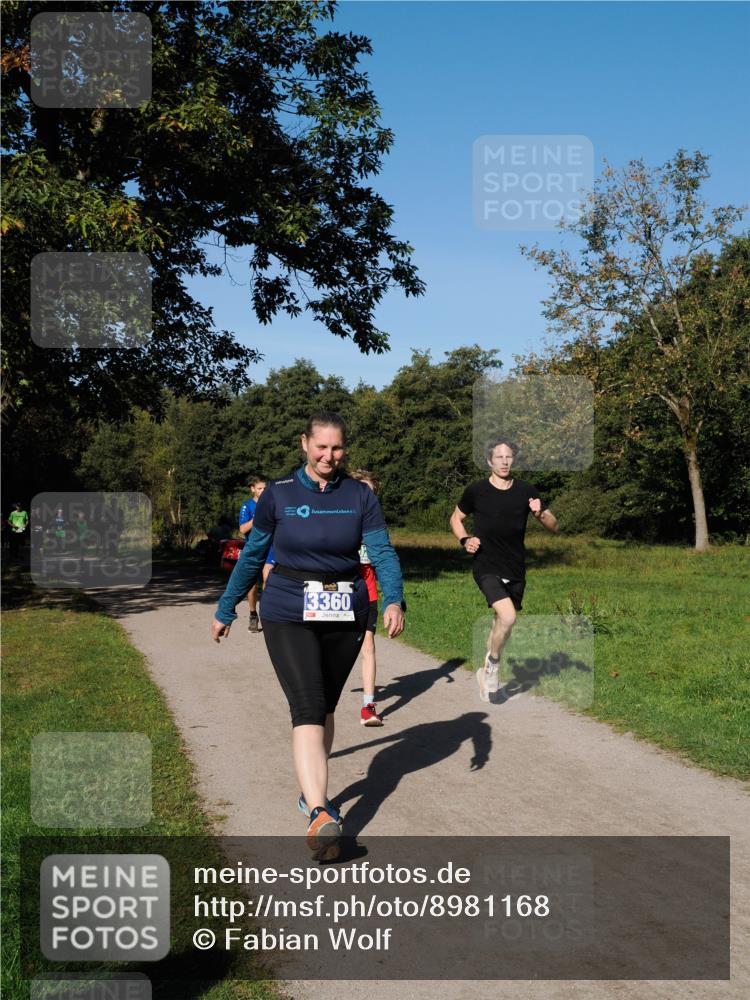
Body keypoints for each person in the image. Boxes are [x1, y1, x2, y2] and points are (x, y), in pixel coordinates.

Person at [211, 412, 405, 861]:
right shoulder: (278, 495)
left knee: (327, 705)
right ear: (304, 444)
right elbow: (252, 553)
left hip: (345, 609)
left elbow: (381, 551)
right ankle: (319, 812)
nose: (328, 457)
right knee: (307, 704)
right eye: (321, 447)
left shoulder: (360, 496)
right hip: (287, 608)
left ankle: (312, 795)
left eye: (337, 449)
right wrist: (228, 607)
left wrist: (392, 598)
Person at [450, 438, 559, 702]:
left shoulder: (525, 491)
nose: (504, 461)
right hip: (486, 565)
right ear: (489, 461)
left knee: (502, 623)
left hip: (516, 566)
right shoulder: (477, 491)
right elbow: (456, 518)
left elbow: (554, 526)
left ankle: (486, 667)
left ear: (514, 460)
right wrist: (465, 539)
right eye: (499, 457)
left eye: (508, 457)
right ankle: (494, 667)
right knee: (508, 617)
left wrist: (540, 511)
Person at [350, 470, 384, 727]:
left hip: (368, 594)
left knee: (369, 646)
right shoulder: (337, 521)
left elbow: (385, 561)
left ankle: (368, 705)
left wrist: (396, 599)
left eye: (369, 493)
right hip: (337, 594)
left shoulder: (376, 527)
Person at [238, 476, 268, 632]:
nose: (263, 491)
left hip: (270, 549)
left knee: (269, 582)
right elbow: (242, 530)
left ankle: (270, 616)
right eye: (259, 488)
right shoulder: (247, 506)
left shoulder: (271, 504)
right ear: (252, 489)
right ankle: (253, 615)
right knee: (252, 586)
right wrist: (256, 519)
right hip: (253, 549)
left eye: (265, 488)